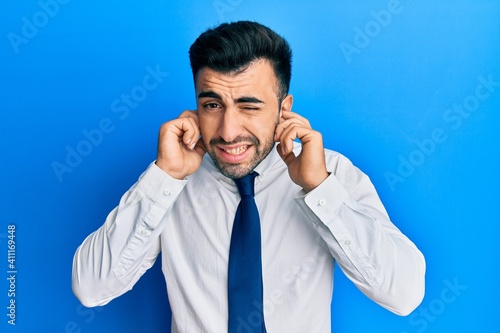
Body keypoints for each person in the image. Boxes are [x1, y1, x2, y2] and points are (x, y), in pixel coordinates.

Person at [72, 20, 425, 332]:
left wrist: (320, 188)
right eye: (212, 105)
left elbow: (404, 294)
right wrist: (165, 177)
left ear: (284, 109)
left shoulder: (331, 172)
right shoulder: (170, 178)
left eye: (249, 106)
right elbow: (91, 288)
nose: (227, 131)